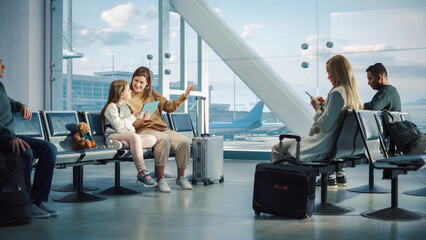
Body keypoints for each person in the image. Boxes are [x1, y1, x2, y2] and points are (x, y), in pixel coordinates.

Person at [271, 55, 363, 187]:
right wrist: (325, 105)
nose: (328, 77)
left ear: (336, 72)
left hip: (324, 145)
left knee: (277, 149)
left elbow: (325, 125)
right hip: (341, 147)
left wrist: (317, 108)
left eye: (329, 72)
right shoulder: (353, 95)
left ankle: (280, 185)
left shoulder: (337, 93)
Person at [0, 56, 58, 218]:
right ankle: (24, 201)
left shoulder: (0, 87)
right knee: (26, 152)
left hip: (10, 135)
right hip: (3, 138)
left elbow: (9, 102)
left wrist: (22, 106)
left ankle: (37, 200)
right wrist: (9, 138)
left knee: (49, 149)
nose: (3, 66)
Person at [127, 66, 196, 193]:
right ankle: (160, 180)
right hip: (143, 129)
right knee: (163, 140)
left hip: (161, 128)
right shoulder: (127, 95)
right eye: (136, 80)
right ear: (132, 79)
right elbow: (129, 123)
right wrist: (141, 118)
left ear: (147, 83)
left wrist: (185, 95)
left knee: (183, 141)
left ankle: (181, 177)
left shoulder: (152, 93)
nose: (138, 84)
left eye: (142, 82)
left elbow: (169, 107)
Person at [101, 80, 157, 187]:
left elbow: (129, 127)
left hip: (126, 136)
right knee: (134, 137)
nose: (131, 91)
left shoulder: (127, 107)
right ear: (121, 93)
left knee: (152, 138)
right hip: (113, 135)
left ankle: (122, 144)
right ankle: (142, 172)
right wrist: (133, 117)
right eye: (128, 90)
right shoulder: (112, 107)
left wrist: (141, 119)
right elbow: (117, 126)